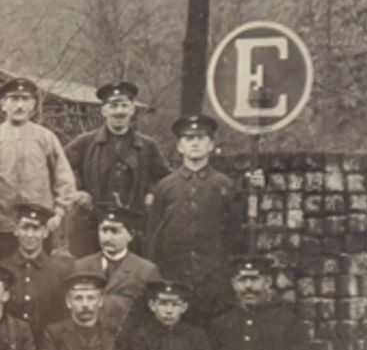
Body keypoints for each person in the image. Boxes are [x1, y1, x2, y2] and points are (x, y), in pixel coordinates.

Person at [143, 114, 241, 319]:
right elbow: (153, 236)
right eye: (188, 139)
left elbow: (234, 235)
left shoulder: (224, 185)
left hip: (214, 280)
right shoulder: (165, 187)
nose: (195, 143)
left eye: (201, 138)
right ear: (180, 146)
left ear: (211, 145)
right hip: (175, 279)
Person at [64, 80, 170, 256]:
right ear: (104, 110)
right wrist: (75, 192)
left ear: (132, 109)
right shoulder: (85, 142)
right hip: (92, 225)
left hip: (133, 228)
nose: (119, 111)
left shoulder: (147, 145)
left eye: (124, 105)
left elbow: (164, 179)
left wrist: (152, 193)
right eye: (113, 106)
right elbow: (58, 169)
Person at [0, 76, 78, 256]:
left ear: (33, 104)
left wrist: (59, 212)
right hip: (3, 227)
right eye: (14, 99)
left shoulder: (46, 138)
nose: (20, 106)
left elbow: (64, 177)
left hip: (39, 225)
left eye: (25, 99)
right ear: (2, 104)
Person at [73, 203, 160, 336]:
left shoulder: (146, 271)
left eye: (115, 231)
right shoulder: (81, 266)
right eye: (103, 230)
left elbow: (153, 320)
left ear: (130, 235)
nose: (108, 237)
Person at [2, 202, 75, 333]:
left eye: (36, 228)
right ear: (16, 230)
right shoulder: (2, 270)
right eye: (25, 228)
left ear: (45, 232)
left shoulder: (60, 272)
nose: (30, 235)